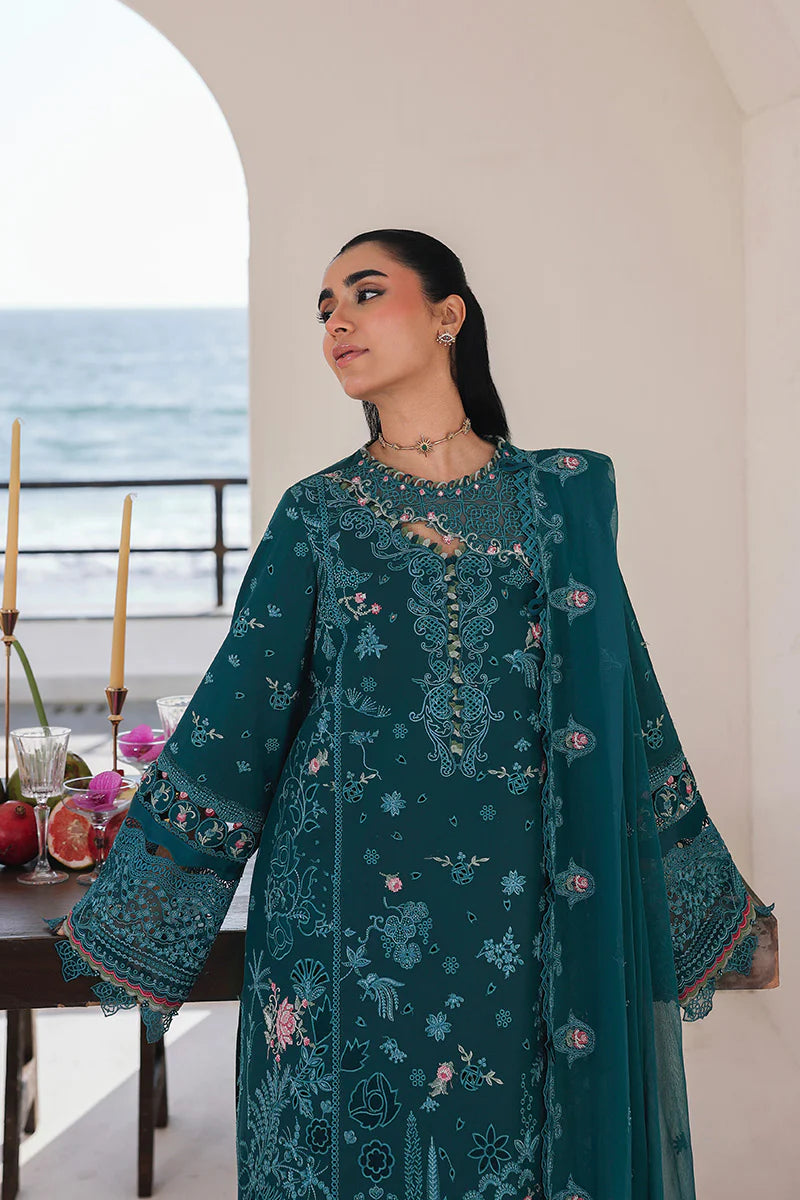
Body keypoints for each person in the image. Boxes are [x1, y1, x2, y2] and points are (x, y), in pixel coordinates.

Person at [46, 228, 776, 1199]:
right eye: (322, 309)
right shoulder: (318, 514)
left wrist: (699, 908)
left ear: (446, 315)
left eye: (363, 293)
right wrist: (135, 916)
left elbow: (628, 704)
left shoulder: (557, 501)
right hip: (339, 928)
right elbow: (234, 722)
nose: (335, 323)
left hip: (522, 920)